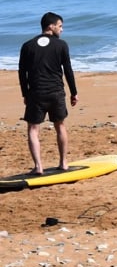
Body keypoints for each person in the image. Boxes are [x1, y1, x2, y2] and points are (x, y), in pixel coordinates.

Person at [18, 12, 79, 174]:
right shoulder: (61, 45)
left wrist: (25, 93)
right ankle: (63, 163)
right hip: (56, 92)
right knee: (60, 125)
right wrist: (74, 92)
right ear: (51, 27)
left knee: (33, 129)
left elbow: (21, 72)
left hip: (36, 93)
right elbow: (68, 71)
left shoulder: (27, 45)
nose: (62, 29)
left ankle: (38, 167)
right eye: (60, 26)